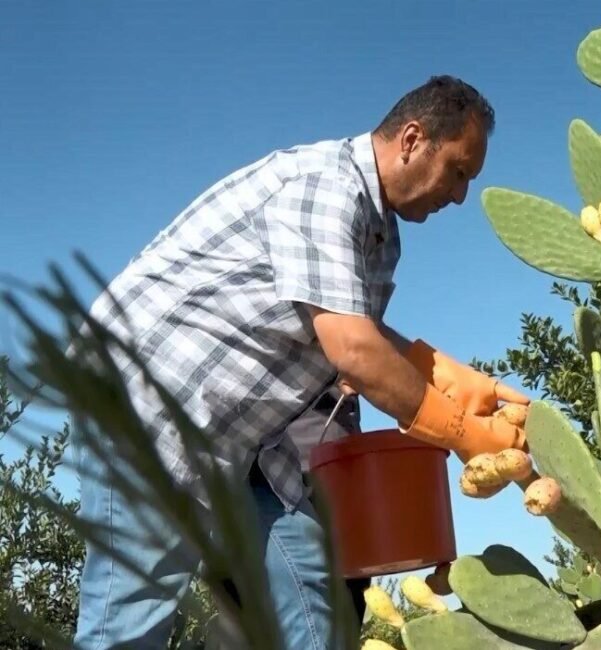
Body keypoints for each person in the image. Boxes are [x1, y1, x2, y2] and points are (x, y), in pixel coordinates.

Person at [70, 75, 530, 649]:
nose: (460, 195)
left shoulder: (380, 236)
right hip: (149, 407)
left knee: (308, 574)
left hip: (241, 442)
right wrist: (465, 434)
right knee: (127, 624)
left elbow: (354, 333)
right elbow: (353, 351)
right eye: (458, 171)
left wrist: (445, 373)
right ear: (412, 139)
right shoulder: (323, 186)